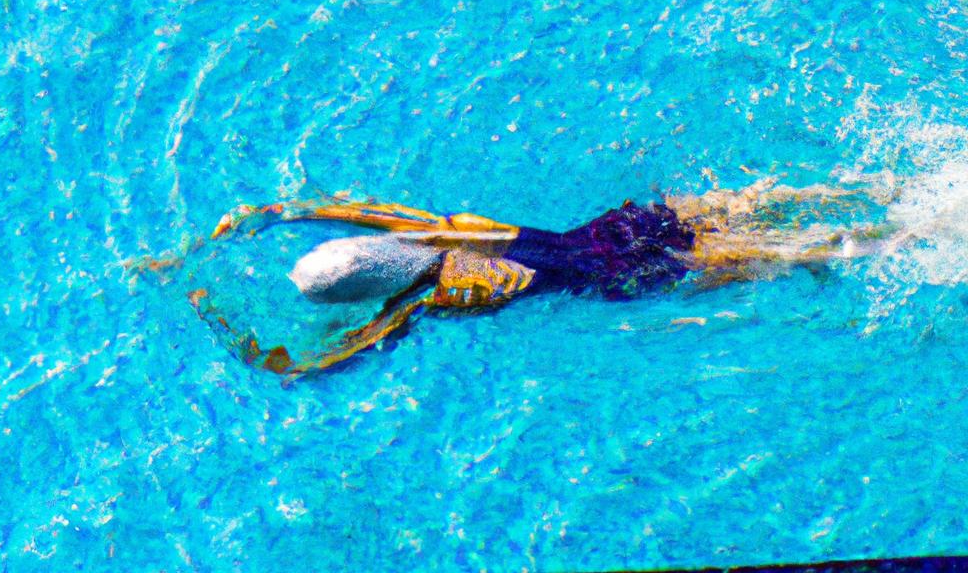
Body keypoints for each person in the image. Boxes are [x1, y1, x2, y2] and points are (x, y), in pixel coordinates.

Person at [180, 176, 894, 383]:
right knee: (749, 206)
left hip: (628, 278)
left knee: (789, 257)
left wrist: (214, 317)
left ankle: (900, 239)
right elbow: (327, 206)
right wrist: (265, 217)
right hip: (613, 230)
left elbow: (302, 365)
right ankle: (881, 190)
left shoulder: (423, 301)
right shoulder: (432, 225)